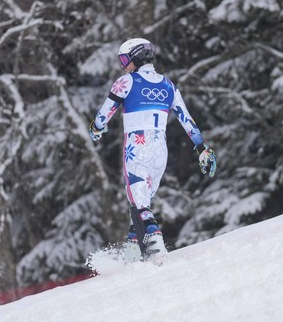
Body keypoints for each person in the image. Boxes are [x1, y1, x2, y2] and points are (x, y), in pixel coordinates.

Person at [89, 38, 217, 260]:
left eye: (124, 59)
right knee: (139, 203)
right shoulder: (168, 85)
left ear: (135, 57)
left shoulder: (126, 82)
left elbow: (103, 116)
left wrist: (96, 129)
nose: (124, 65)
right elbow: (188, 120)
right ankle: (132, 252)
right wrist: (202, 148)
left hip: (137, 147)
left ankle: (156, 247)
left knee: (141, 205)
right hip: (160, 150)